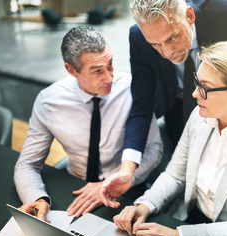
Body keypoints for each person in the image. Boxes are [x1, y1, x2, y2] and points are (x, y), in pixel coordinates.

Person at [101, 41, 227, 236]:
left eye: (205, 87)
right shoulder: (200, 116)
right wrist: (145, 204)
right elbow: (175, 175)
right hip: (198, 222)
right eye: (197, 82)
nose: (195, 93)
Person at [14, 26, 162, 220]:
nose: (109, 77)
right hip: (76, 186)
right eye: (97, 71)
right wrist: (37, 199)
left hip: (127, 189)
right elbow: (27, 164)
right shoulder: (48, 101)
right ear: (71, 70)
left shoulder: (132, 89)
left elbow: (154, 149)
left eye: (110, 64)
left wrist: (111, 183)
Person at [123, 0, 227, 168]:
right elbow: (141, 106)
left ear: (190, 16)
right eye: (155, 45)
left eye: (171, 38)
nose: (167, 53)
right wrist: (127, 169)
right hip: (177, 110)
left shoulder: (226, 15)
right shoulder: (138, 37)